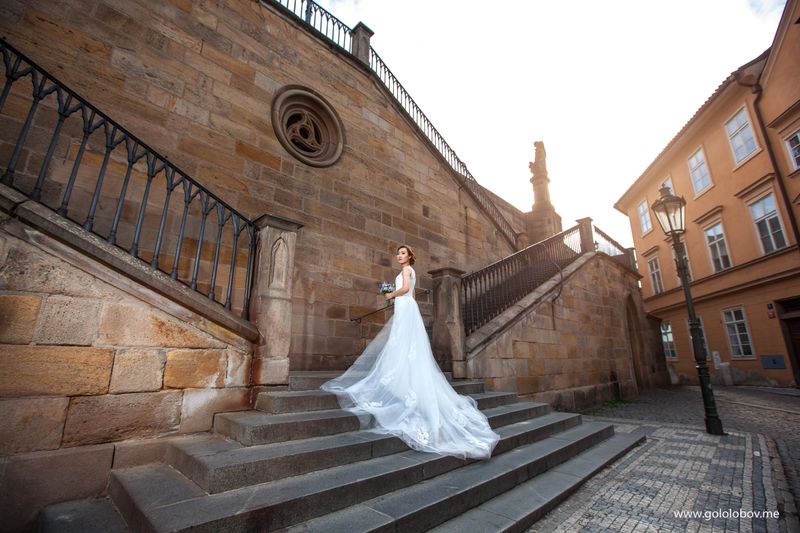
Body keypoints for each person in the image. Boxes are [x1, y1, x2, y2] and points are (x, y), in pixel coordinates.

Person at [321, 245, 500, 460]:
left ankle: (405, 385)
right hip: (406, 308)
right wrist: (395, 299)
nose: (399, 255)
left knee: (403, 345)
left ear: (410, 257)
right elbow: (411, 295)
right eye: (398, 253)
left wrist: (391, 294)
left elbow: (406, 290)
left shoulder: (407, 271)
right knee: (403, 347)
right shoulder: (407, 271)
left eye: (403, 253)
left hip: (406, 309)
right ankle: (402, 382)